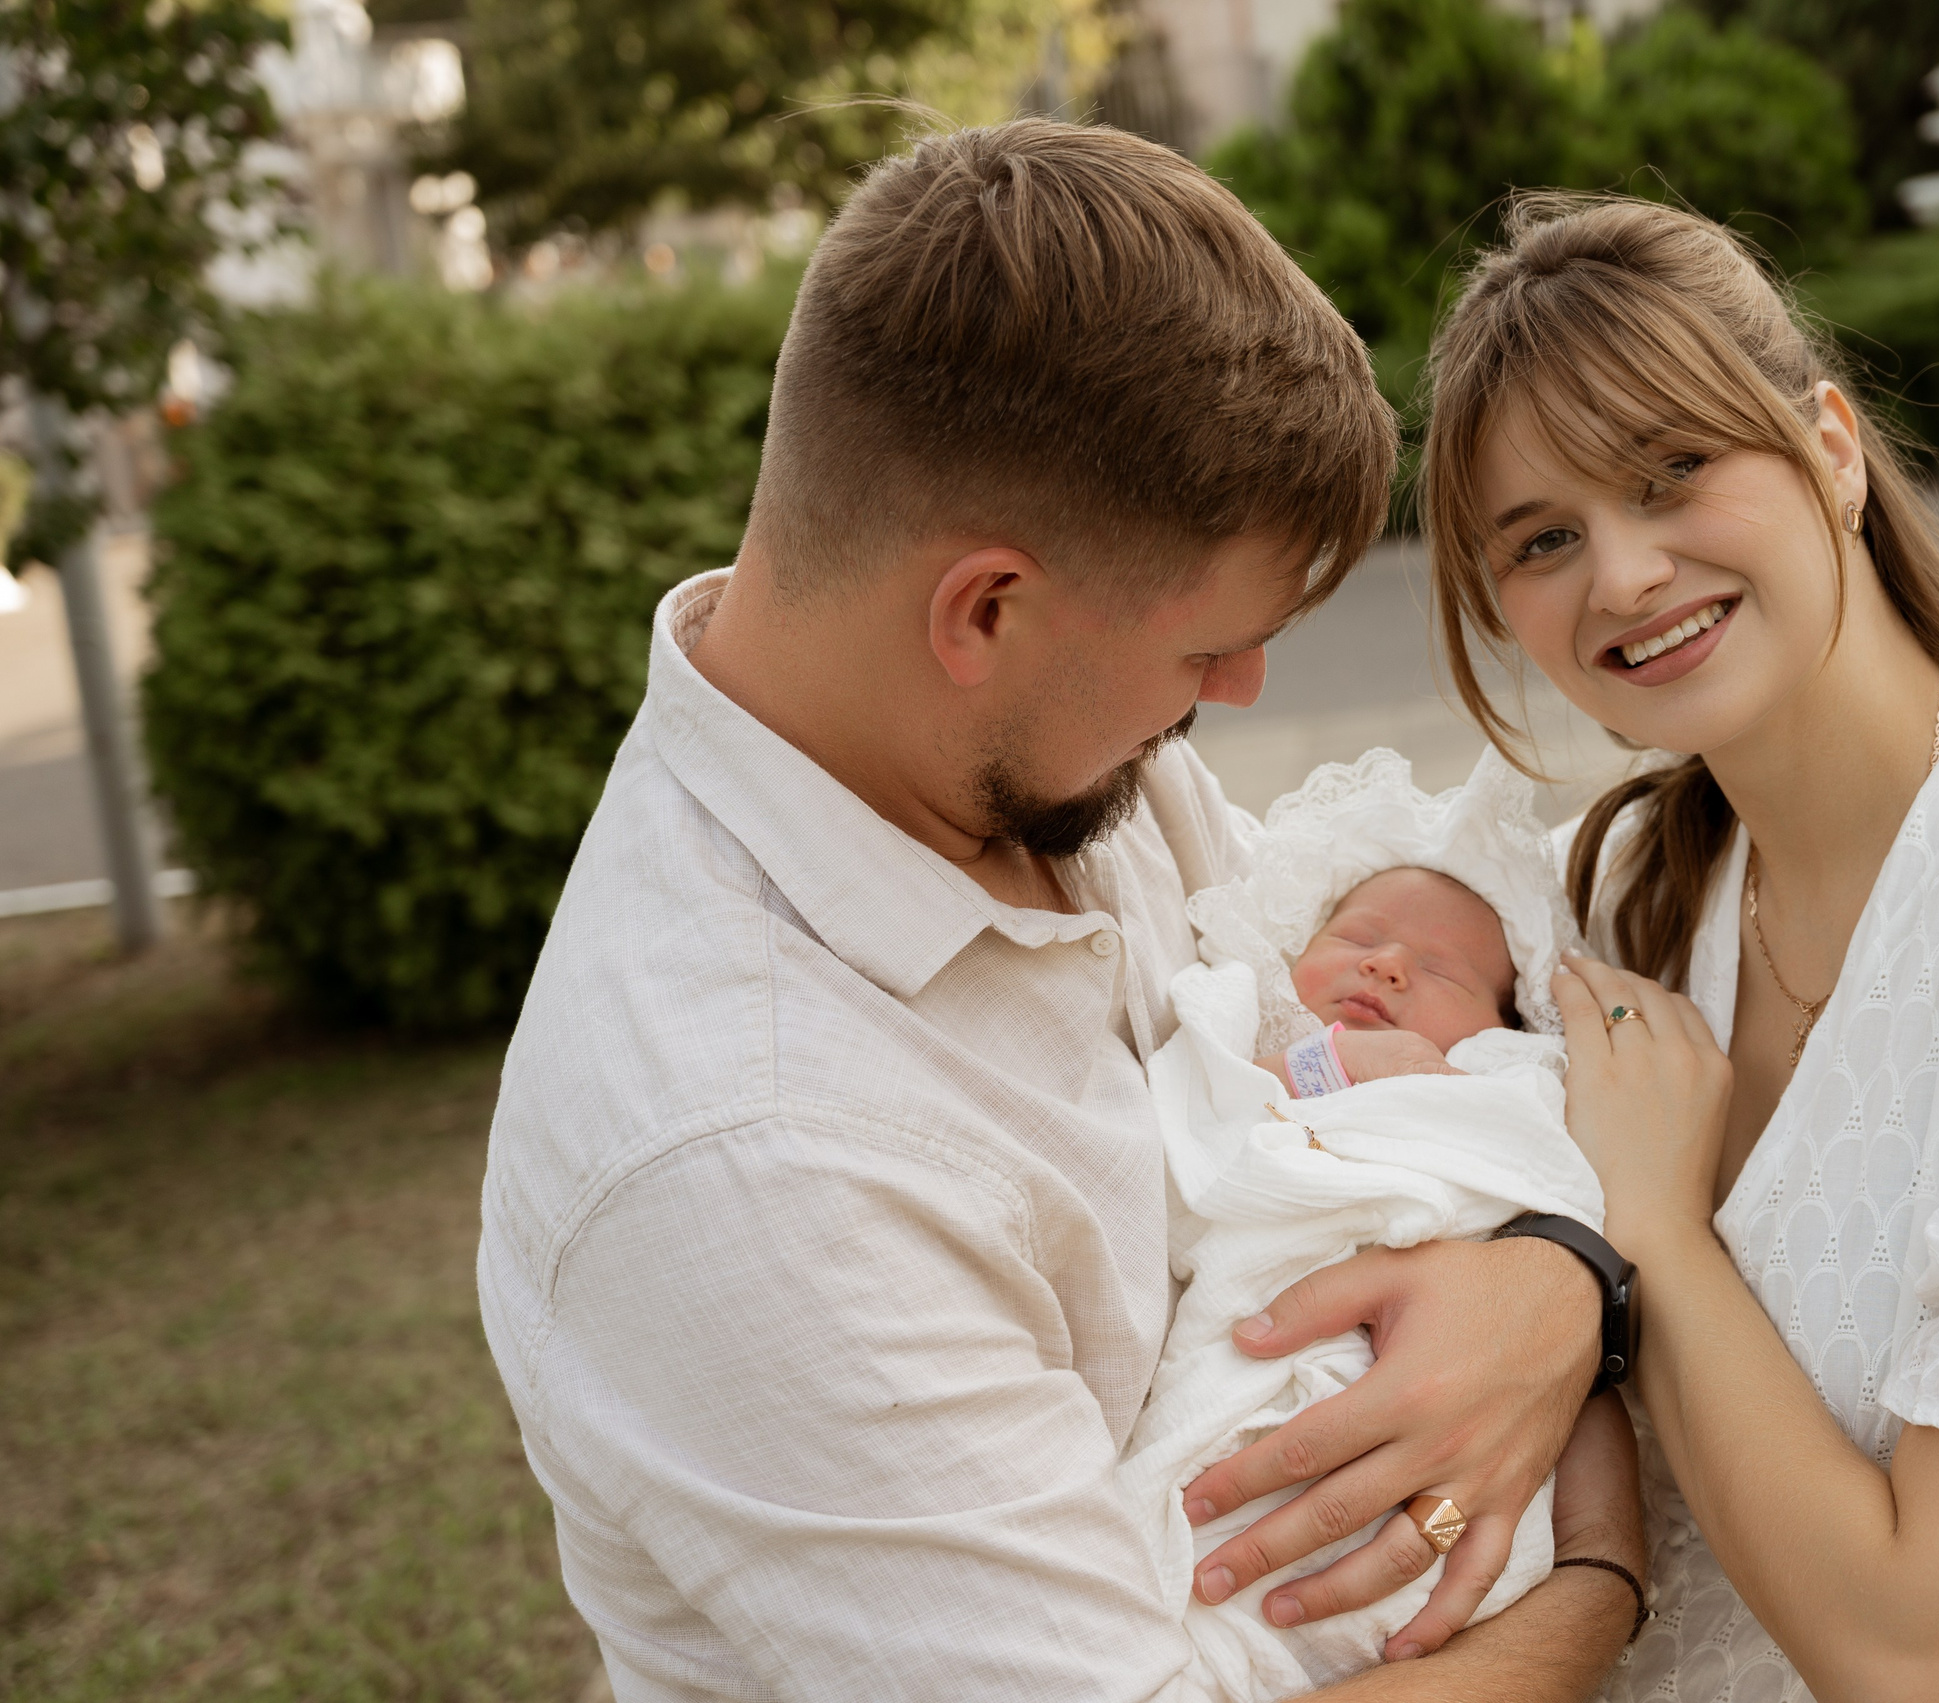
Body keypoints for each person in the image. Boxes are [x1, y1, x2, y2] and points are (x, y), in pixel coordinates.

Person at [477, 126, 1645, 1702]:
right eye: (1203, 650)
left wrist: (1557, 1274)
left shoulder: (1036, 767)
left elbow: (1357, 1072)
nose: (1239, 694)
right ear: (986, 610)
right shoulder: (749, 1157)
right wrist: (1598, 1572)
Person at [1180, 194, 1939, 1701]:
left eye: (1672, 469)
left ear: (1829, 444)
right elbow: (1227, 928)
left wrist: (1655, 1227)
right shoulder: (1613, 888)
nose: (1622, 574)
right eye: (1545, 539)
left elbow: (1927, 1649)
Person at [1128, 749, 1626, 1700]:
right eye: (1358, 934)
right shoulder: (1240, 1024)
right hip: (1257, 1321)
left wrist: (1428, 1082)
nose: (1388, 962)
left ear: (1499, 1026)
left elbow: (1542, 1179)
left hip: (1437, 1379)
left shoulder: (1503, 1081)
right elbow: (1190, 1121)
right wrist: (1329, 1065)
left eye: (1439, 970)